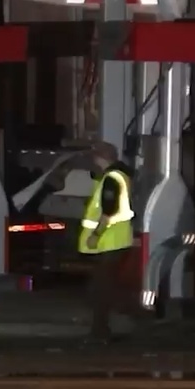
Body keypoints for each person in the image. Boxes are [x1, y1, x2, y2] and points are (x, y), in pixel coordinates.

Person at [77, 141, 136, 344]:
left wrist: (96, 234)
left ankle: (100, 332)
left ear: (100, 157)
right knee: (104, 287)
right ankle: (104, 329)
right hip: (114, 242)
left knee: (101, 289)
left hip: (110, 242)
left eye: (94, 157)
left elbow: (108, 211)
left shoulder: (112, 178)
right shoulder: (117, 176)